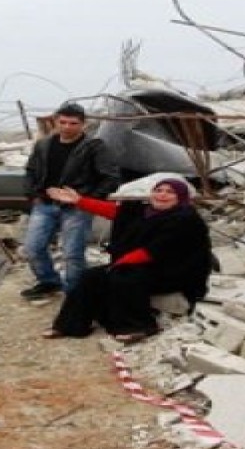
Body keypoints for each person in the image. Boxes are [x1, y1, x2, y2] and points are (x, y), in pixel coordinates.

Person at [40, 178, 211, 342]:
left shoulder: (186, 219)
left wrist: (118, 265)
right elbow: (114, 211)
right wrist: (79, 200)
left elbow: (157, 250)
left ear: (180, 197)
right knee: (91, 276)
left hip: (174, 270)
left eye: (170, 192)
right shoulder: (141, 210)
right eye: (158, 190)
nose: (162, 195)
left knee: (124, 277)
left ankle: (139, 327)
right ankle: (69, 325)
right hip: (138, 265)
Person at [20, 102, 119, 299]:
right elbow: (30, 172)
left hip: (76, 208)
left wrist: (85, 200)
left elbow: (110, 177)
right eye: (62, 122)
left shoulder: (94, 147)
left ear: (83, 124)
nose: (66, 127)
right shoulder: (44, 144)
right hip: (45, 204)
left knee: (72, 253)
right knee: (32, 248)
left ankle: (75, 293)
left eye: (73, 123)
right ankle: (48, 281)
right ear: (55, 121)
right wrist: (34, 195)